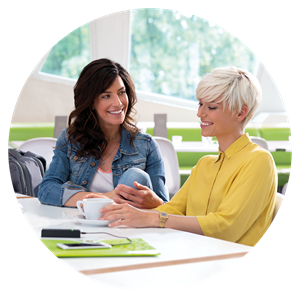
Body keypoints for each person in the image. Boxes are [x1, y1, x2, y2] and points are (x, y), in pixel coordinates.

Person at [99, 67, 277, 247]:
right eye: (200, 104)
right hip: (195, 256)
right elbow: (171, 210)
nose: (200, 114)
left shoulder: (259, 160)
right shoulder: (204, 165)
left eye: (212, 107)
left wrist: (154, 218)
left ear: (241, 113)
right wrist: (116, 208)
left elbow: (226, 227)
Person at [38, 58, 168, 208]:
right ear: (91, 102)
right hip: (83, 224)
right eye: (106, 96)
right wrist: (104, 198)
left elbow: (165, 208)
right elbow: (47, 190)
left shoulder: (146, 145)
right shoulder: (70, 139)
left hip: (126, 227)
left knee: (135, 175)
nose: (118, 103)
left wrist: (155, 202)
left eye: (121, 92)